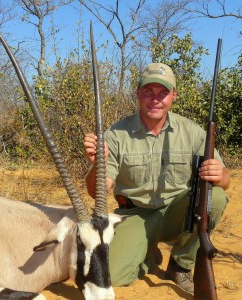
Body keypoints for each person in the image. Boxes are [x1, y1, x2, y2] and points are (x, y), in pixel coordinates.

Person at [83, 62, 230, 294]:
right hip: (135, 215)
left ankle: (180, 265)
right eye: (148, 92)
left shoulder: (192, 132)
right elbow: (97, 192)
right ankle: (147, 255)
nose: (155, 99)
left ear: (173, 95)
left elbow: (225, 180)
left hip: (177, 213)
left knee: (216, 197)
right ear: (138, 93)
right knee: (115, 275)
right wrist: (97, 166)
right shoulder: (116, 134)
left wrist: (220, 175)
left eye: (163, 93)